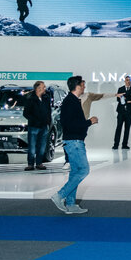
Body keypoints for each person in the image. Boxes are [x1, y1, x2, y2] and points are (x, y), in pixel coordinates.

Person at [50, 76, 98, 214]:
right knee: (84, 170)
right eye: (82, 85)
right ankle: (59, 195)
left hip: (74, 141)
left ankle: (71, 204)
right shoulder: (70, 102)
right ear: (77, 86)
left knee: (75, 172)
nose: (84, 87)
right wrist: (89, 122)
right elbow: (70, 124)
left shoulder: (72, 101)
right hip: (74, 142)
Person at [22, 81, 51, 171]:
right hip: (34, 126)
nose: (45, 88)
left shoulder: (46, 98)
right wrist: (34, 120)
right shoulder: (30, 99)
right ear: (38, 89)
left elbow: (48, 111)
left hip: (44, 126)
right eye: (43, 87)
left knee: (42, 146)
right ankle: (30, 164)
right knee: (32, 146)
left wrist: (48, 122)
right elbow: (26, 113)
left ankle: (39, 163)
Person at [112, 75, 131, 150]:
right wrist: (128, 98)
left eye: (129, 80)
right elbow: (118, 99)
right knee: (119, 127)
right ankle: (116, 144)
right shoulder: (120, 89)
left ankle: (124, 145)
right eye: (127, 80)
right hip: (121, 111)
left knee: (127, 128)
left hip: (130, 111)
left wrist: (124, 98)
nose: (128, 81)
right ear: (124, 81)